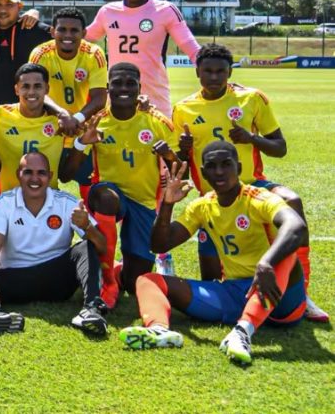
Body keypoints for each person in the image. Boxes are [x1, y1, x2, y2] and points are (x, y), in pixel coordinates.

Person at [172, 43, 327, 321]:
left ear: (230, 71)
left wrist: (252, 138)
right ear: (197, 72)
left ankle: (302, 293)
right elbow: (180, 169)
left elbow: (280, 147)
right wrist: (182, 151)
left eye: (221, 71)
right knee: (210, 276)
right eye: (208, 71)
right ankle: (237, 301)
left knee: (292, 201)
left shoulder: (252, 98)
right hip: (210, 197)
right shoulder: (183, 109)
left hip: (252, 186)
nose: (215, 77)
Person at [119, 143, 309, 365]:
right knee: (148, 280)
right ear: (203, 172)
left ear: (238, 168)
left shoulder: (258, 198)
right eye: (211, 166)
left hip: (279, 296)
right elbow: (160, 245)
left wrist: (266, 262)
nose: (219, 172)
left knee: (287, 255)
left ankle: (242, 333)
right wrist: (167, 203)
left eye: (226, 165)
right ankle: (159, 330)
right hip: (234, 293)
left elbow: (296, 226)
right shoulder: (202, 206)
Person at [62, 62, 178, 311]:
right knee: (108, 198)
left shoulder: (157, 122)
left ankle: (114, 271)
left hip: (144, 203)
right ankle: (107, 284)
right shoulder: (97, 122)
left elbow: (182, 169)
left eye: (130, 83)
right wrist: (82, 143)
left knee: (135, 281)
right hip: (106, 194)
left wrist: (169, 156)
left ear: (139, 88)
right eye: (117, 83)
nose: (123, 88)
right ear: (108, 87)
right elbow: (66, 174)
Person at [0, 152, 108, 336]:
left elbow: (102, 246)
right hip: (17, 277)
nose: (34, 178)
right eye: (28, 172)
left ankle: (91, 310)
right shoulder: (3, 203)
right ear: (18, 174)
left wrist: (87, 226)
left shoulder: (66, 203)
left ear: (50, 176)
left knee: (86, 247)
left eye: (41, 173)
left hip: (57, 280)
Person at [85, 0, 201, 116]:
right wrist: (45, 28)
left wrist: (215, 71)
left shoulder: (165, 10)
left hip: (155, 93)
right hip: (117, 92)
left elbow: (190, 46)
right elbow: (83, 38)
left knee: (160, 138)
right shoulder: (107, 12)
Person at [29, 7, 109, 199]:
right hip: (50, 128)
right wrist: (62, 114)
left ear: (84, 33)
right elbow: (35, 91)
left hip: (83, 127)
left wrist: (77, 118)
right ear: (52, 31)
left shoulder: (94, 53)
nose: (68, 35)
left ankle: (90, 226)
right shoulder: (40, 53)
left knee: (91, 190)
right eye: (62, 29)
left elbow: (100, 97)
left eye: (74, 31)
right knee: (43, 185)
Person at [0, 63, 65, 197]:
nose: (31, 92)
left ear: (47, 89)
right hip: (9, 204)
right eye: (25, 86)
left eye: (37, 86)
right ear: (16, 89)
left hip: (49, 202)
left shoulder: (59, 122)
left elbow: (84, 129)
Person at [0, 0, 53, 106]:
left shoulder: (37, 30)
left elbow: (68, 38)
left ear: (19, 7)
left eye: (9, 4)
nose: (3, 10)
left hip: (29, 116)